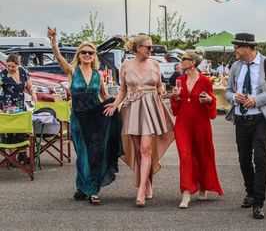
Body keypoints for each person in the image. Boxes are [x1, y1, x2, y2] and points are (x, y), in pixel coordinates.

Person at [47, 27, 122, 205]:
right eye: (84, 52)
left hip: (95, 118)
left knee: (94, 153)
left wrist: (115, 103)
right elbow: (59, 58)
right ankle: (82, 186)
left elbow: (103, 95)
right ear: (79, 55)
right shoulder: (72, 71)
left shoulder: (98, 75)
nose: (87, 55)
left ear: (94, 56)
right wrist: (53, 40)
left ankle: (92, 190)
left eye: (90, 53)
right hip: (79, 118)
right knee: (82, 154)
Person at [103, 35, 174, 208]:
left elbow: (159, 88)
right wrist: (114, 105)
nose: (151, 50)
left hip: (151, 109)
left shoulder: (155, 65)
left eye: (151, 47)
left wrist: (162, 91)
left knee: (146, 149)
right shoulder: (126, 65)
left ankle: (141, 191)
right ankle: (147, 182)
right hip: (132, 109)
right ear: (137, 48)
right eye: (148, 47)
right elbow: (122, 90)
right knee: (137, 150)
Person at [225, 33, 266, 219]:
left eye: (236, 47)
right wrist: (234, 97)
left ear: (247, 47)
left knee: (260, 158)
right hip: (241, 119)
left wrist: (256, 100)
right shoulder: (236, 66)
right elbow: (228, 91)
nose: (234, 50)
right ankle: (250, 192)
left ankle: (259, 202)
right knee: (243, 159)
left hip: (260, 119)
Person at [170, 50, 223, 209]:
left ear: (193, 62)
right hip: (183, 123)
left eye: (184, 59)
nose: (181, 61)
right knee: (185, 155)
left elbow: (212, 103)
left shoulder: (205, 81)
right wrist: (175, 97)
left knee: (202, 154)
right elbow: (176, 108)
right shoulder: (179, 79)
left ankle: (203, 185)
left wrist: (208, 100)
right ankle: (186, 192)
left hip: (201, 123)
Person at [0, 53, 37, 164]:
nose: (10, 68)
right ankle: (12, 158)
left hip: (20, 104)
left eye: (13, 66)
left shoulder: (23, 72)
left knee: (22, 130)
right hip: (7, 105)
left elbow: (29, 86)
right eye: (8, 66)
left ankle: (23, 155)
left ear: (18, 64)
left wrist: (33, 94)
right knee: (11, 130)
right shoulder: (2, 75)